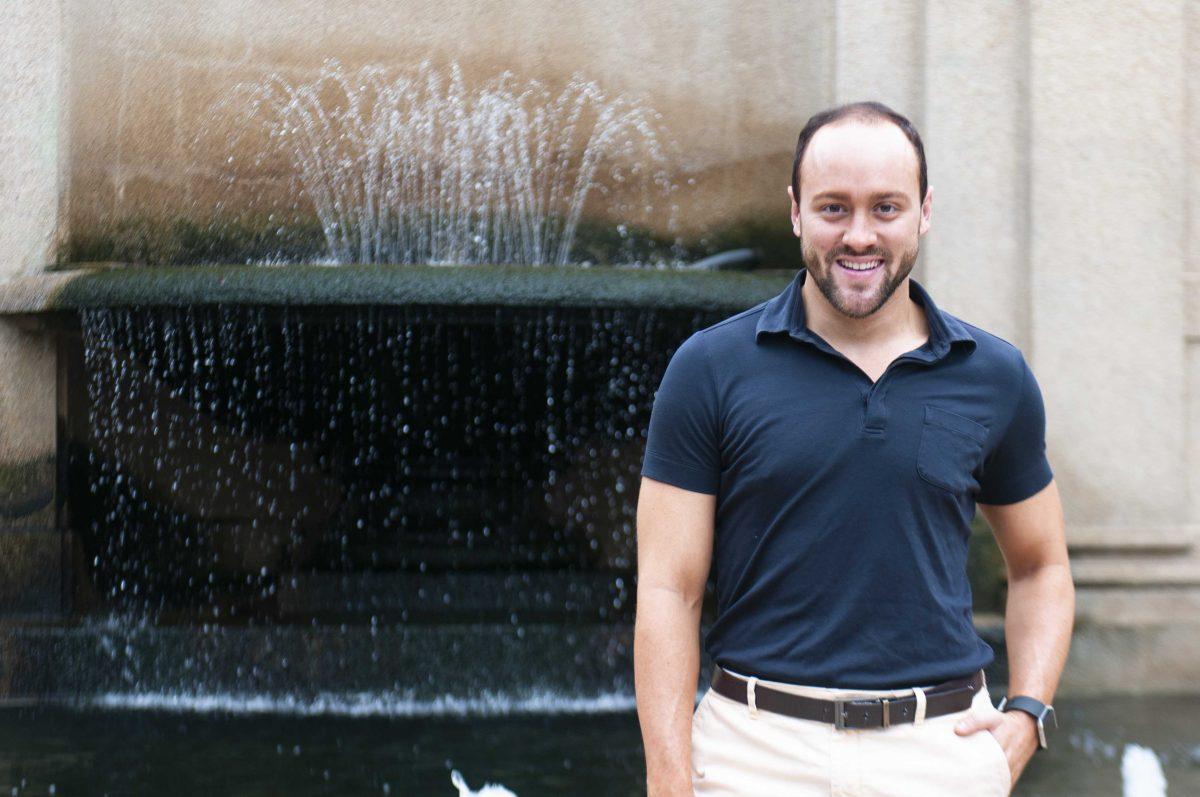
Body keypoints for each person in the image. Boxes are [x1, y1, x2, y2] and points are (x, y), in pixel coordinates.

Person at [633, 102, 1075, 796]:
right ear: (795, 211)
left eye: (886, 208)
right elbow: (668, 588)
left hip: (941, 751)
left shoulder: (994, 375)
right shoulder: (709, 367)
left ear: (924, 211)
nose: (860, 235)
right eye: (834, 208)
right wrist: (668, 776)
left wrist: (1027, 713)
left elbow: (1042, 566)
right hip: (753, 753)